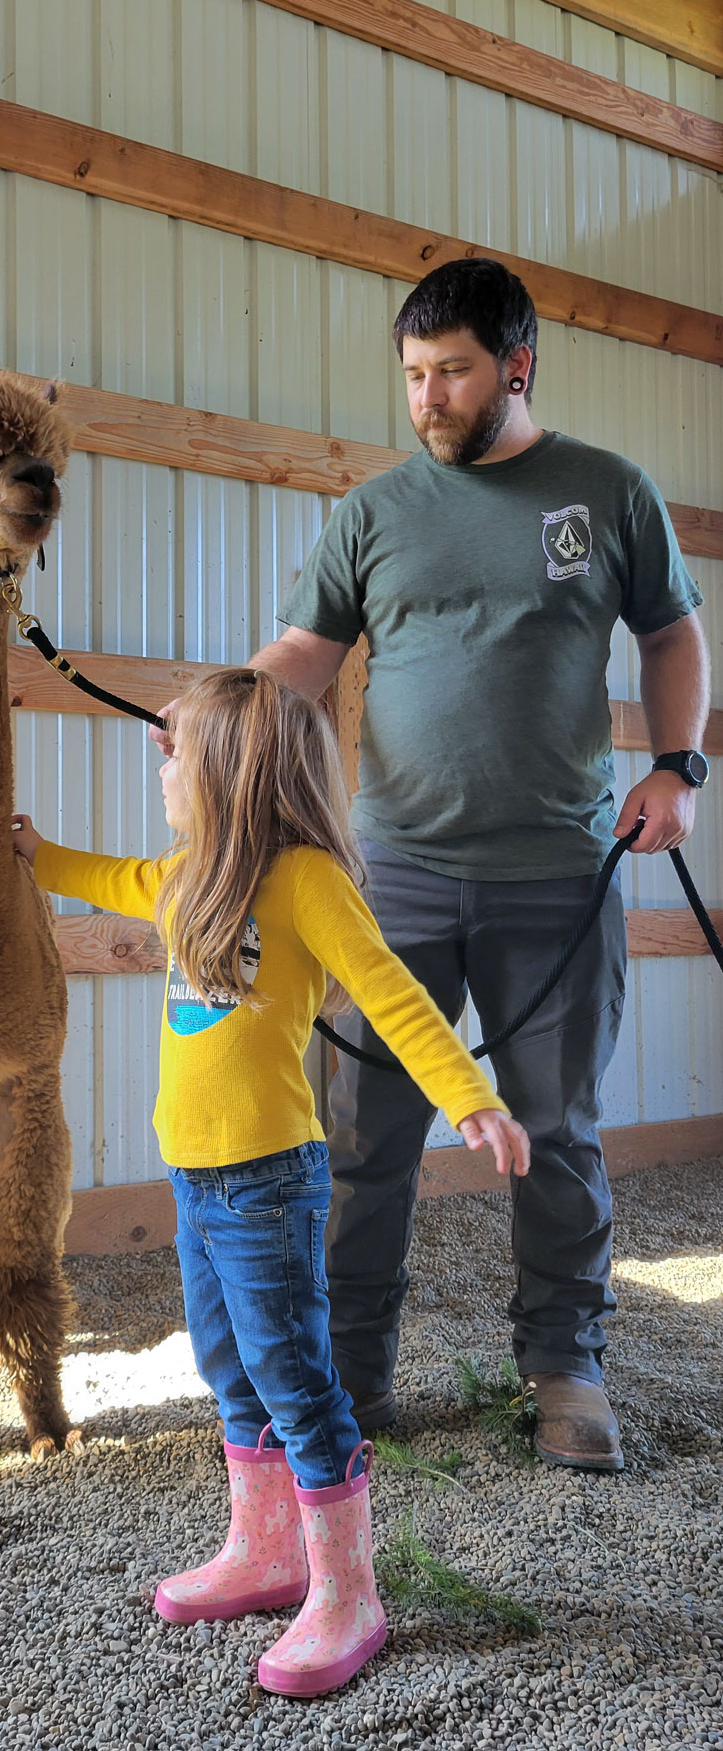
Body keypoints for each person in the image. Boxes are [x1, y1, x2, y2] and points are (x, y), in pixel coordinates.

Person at [151, 258, 708, 1474]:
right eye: (412, 375)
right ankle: (348, 1372)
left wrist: (678, 765)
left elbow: (671, 628)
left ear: (517, 366)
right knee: (359, 1135)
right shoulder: (375, 511)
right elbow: (305, 649)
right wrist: (216, 717)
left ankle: (564, 1366)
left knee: (555, 1129)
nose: (428, 398)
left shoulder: (608, 495)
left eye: (452, 372)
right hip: (388, 875)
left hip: (559, 873)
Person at [14, 667, 529, 1698]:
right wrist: (36, 855)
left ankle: (348, 1592)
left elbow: (391, 987)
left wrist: (469, 1094)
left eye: (179, 754)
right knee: (226, 1363)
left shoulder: (304, 882)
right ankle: (267, 1553)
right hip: (194, 1177)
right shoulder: (189, 876)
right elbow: (108, 877)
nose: (161, 766)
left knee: (295, 1374)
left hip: (267, 1181)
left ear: (230, 771)